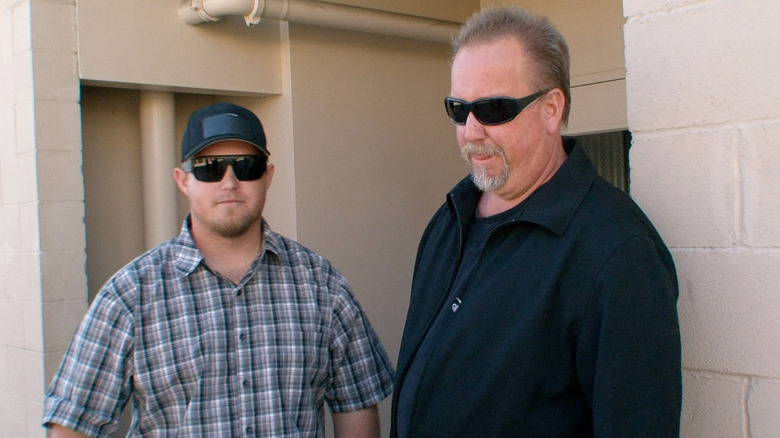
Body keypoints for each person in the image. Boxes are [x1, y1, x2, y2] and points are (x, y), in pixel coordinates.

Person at [392, 7, 681, 438]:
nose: (471, 131)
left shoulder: (618, 254)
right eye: (459, 109)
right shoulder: (450, 219)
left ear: (551, 109)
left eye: (493, 108)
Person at [43, 102, 394, 437]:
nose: (229, 182)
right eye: (210, 167)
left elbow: (357, 404)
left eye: (246, 166)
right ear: (183, 180)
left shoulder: (321, 284)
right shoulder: (131, 294)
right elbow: (72, 422)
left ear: (267, 176)